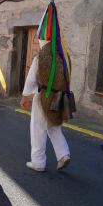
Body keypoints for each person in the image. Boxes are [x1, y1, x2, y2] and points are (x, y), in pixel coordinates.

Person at [20, 40, 71, 172]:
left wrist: (25, 95)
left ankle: (38, 163)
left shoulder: (41, 56)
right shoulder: (64, 55)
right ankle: (63, 154)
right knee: (54, 126)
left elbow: (31, 78)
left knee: (38, 128)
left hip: (43, 96)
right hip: (59, 97)